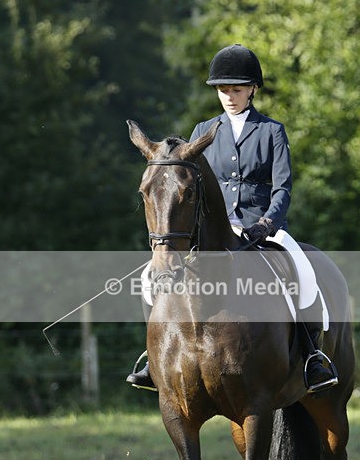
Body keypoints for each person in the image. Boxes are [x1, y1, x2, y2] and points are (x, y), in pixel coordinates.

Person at [127, 44, 338, 393]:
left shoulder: (271, 131)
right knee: (151, 277)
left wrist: (267, 223)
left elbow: (282, 188)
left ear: (252, 89)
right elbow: (188, 185)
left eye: (236, 90)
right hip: (212, 229)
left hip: (261, 227)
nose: (229, 97)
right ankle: (153, 357)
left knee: (303, 272)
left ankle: (312, 356)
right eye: (223, 90)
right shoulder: (204, 130)